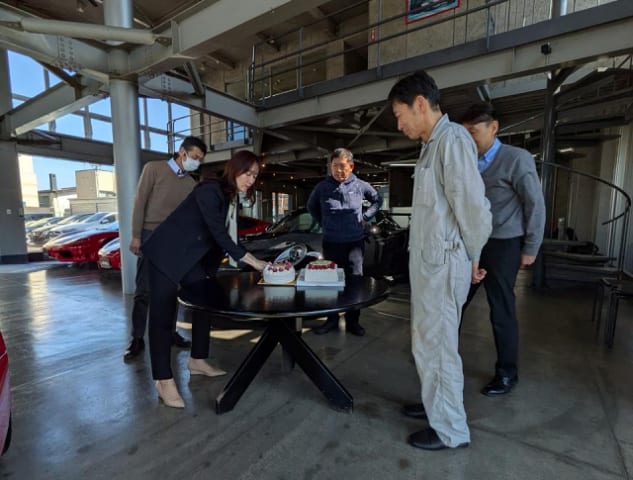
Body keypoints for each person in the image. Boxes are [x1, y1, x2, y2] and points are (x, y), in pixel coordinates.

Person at [388, 71, 492, 450]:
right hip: (431, 266)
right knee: (427, 343)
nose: (398, 124)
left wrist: (474, 255)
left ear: (420, 104)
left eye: (399, 115)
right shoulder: (431, 146)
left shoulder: (452, 141)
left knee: (440, 347)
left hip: (444, 266)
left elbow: (474, 208)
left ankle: (450, 430)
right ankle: (436, 404)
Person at [141, 150, 268, 408]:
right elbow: (218, 233)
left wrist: (211, 271)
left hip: (190, 259)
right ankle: (163, 380)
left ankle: (197, 360)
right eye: (247, 173)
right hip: (165, 254)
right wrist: (253, 261)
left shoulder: (229, 196)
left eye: (255, 176)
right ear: (234, 169)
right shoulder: (210, 190)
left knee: (204, 303)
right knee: (163, 317)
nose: (251, 180)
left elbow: (219, 239)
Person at [461, 102, 546, 396]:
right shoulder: (466, 161)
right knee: (454, 303)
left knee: (501, 309)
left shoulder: (516, 158)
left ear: (493, 127)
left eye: (473, 131)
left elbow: (534, 204)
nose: (469, 138)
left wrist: (531, 246)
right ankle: (443, 362)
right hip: (470, 243)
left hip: (503, 244)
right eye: (465, 132)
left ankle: (507, 374)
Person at [124, 136, 207, 361]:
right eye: (194, 157)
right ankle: (137, 339)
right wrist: (136, 236)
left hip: (175, 241)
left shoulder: (191, 184)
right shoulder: (153, 169)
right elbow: (139, 203)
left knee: (171, 290)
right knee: (144, 290)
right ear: (182, 152)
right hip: (150, 235)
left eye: (200, 159)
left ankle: (170, 334)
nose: (196, 162)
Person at [306, 147, 383, 336]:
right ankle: (331, 320)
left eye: (342, 166)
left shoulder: (360, 185)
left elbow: (377, 200)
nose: (338, 170)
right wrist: (324, 223)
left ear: (351, 166)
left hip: (354, 243)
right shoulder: (322, 187)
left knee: (354, 282)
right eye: (335, 166)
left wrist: (365, 216)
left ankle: (353, 322)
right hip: (331, 242)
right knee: (331, 282)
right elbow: (311, 206)